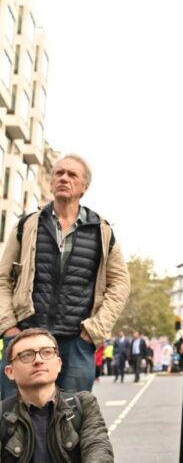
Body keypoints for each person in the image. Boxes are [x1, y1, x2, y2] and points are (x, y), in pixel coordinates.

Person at [0, 154, 130, 398]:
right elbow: (2, 278)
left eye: (72, 175)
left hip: (77, 342)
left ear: (84, 187)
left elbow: (120, 284)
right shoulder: (27, 225)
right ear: (50, 183)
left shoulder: (101, 231)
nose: (63, 178)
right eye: (58, 173)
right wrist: (9, 327)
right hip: (25, 337)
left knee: (72, 419)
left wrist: (94, 330)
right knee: (14, 421)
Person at [1, 327, 113, 461]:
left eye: (47, 352)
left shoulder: (84, 405)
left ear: (59, 364)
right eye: (27, 355)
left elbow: (98, 450)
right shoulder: (2, 414)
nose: (38, 360)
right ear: (10, 372)